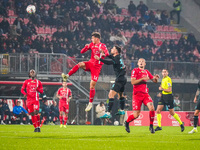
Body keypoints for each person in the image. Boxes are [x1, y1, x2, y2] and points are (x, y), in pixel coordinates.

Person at [61, 32, 109, 112]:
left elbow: (107, 54)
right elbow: (82, 52)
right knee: (80, 64)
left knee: (92, 85)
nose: (91, 39)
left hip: (97, 67)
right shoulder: (91, 44)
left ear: (97, 39)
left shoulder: (102, 45)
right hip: (90, 63)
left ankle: (90, 103)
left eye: (93, 38)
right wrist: (86, 47)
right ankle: (67, 76)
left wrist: (102, 53)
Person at [124, 58, 159, 134]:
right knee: (136, 115)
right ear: (137, 63)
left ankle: (151, 126)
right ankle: (126, 123)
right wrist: (142, 78)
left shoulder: (147, 72)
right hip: (137, 95)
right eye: (140, 61)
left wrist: (156, 78)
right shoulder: (135, 71)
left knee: (152, 108)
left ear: (145, 64)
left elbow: (154, 81)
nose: (141, 62)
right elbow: (133, 82)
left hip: (145, 94)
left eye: (143, 61)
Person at [94, 46, 127, 118]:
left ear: (116, 51)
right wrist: (105, 54)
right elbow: (111, 57)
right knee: (120, 95)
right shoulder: (119, 57)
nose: (111, 49)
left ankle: (108, 113)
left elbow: (109, 62)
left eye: (113, 48)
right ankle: (122, 110)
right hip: (123, 78)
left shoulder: (117, 58)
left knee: (110, 95)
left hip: (119, 79)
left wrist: (100, 59)